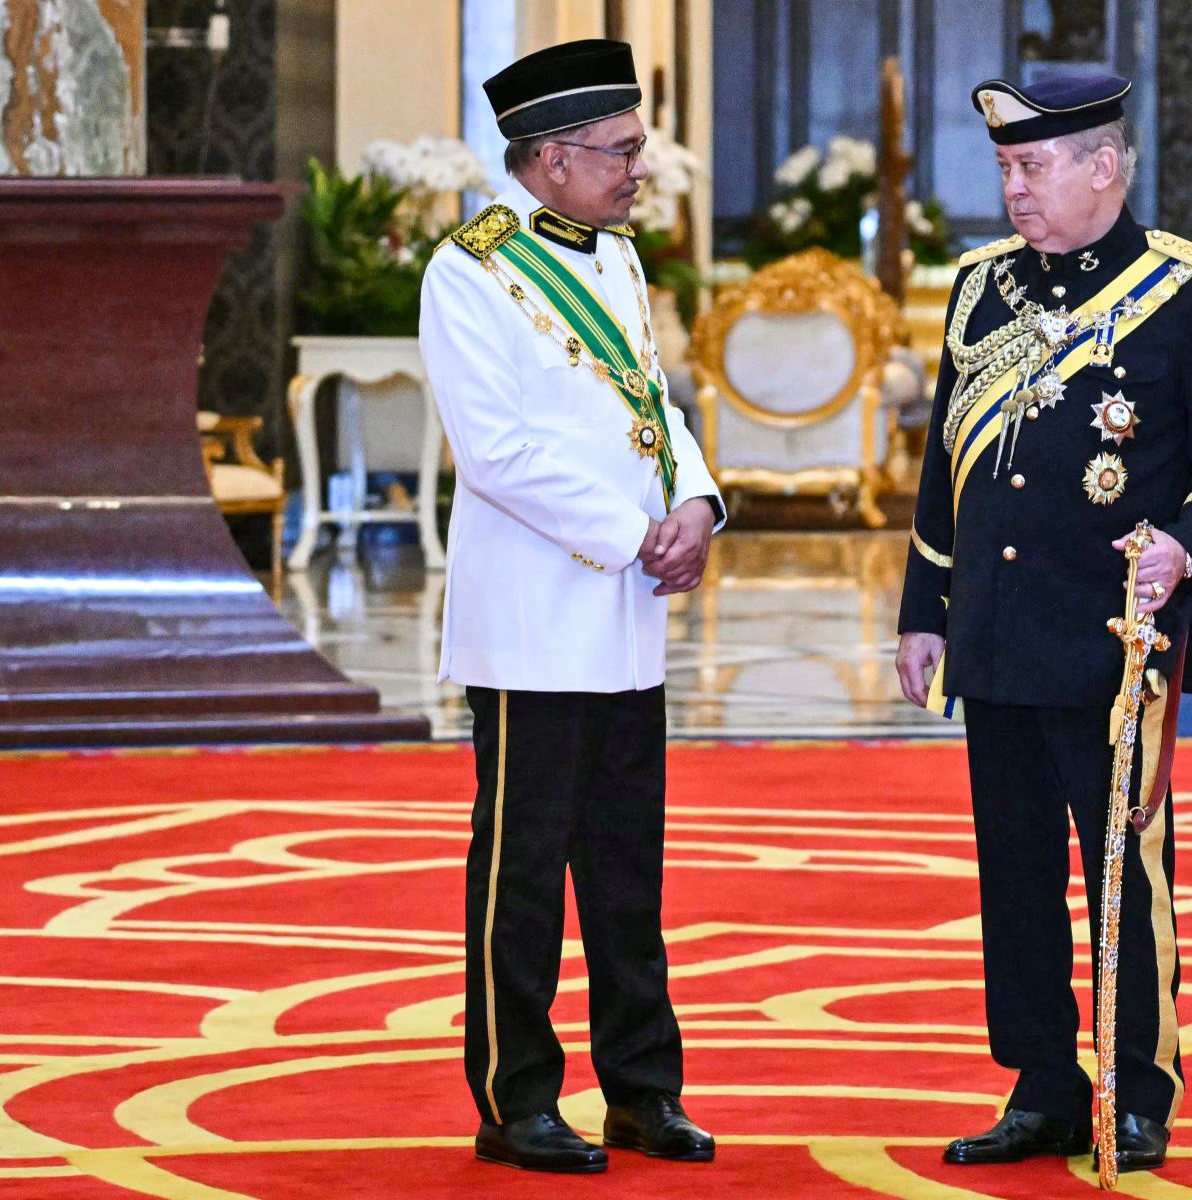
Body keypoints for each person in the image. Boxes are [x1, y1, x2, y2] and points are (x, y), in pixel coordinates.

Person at [895, 72, 1192, 1174]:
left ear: (1104, 166)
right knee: (1011, 871)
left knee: (1124, 872)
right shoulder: (979, 293)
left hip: (1115, 640)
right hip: (999, 636)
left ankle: (1139, 1086)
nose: (1013, 190)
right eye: (1006, 168)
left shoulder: (1190, 292)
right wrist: (927, 611)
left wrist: (1181, 550)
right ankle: (1042, 1084)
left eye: (1033, 167)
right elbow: (943, 468)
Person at [418, 38, 724, 1175]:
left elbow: (651, 401)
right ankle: (514, 1097)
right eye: (622, 150)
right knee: (523, 874)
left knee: (627, 870)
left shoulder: (615, 257)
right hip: (537, 616)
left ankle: (643, 1089)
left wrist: (695, 501)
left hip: (626, 619)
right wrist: (628, 533)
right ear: (549, 159)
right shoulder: (473, 269)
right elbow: (494, 452)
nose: (638, 167)